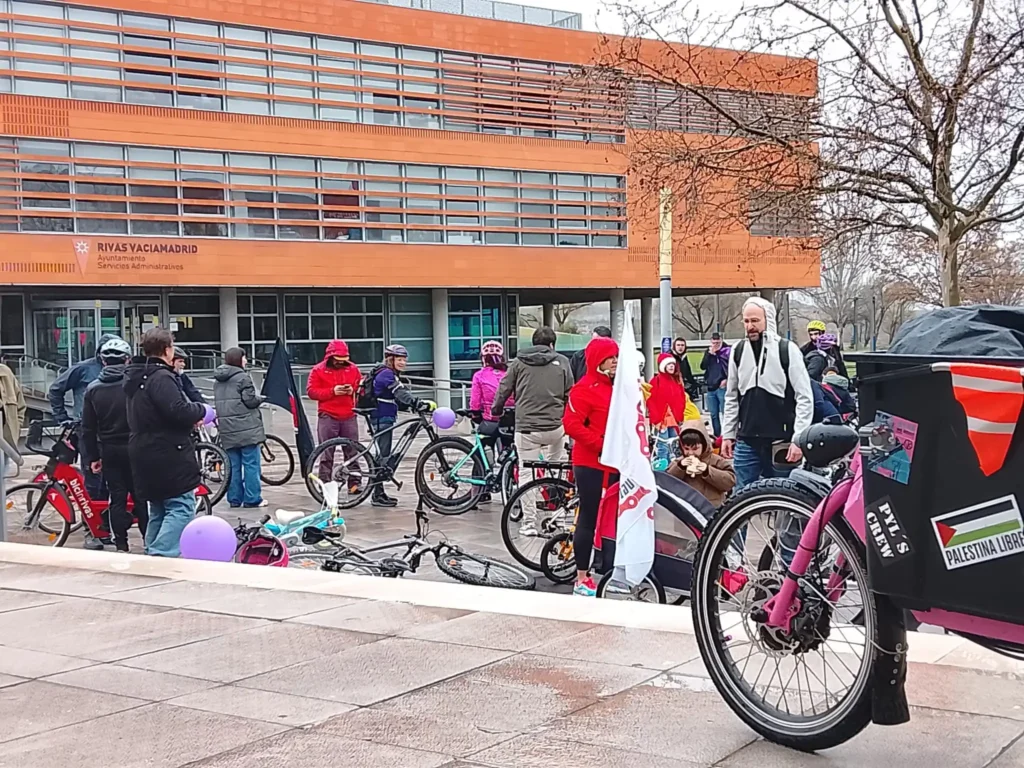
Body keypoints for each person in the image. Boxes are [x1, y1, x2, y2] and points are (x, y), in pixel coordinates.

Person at [124, 327, 206, 557]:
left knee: (159, 508)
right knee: (181, 507)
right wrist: (200, 410)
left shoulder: (135, 375)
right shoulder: (161, 377)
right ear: (167, 349)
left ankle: (152, 550)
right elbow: (177, 410)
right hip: (168, 450)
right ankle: (161, 554)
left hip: (143, 449)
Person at [722, 297, 813, 488]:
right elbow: (731, 396)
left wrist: (799, 439)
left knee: (786, 498)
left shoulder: (787, 349)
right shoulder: (738, 351)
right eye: (746, 321)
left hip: (781, 441)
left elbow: (804, 397)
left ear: (767, 320)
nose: (750, 326)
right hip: (747, 440)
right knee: (742, 498)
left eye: (755, 320)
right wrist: (728, 434)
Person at [48, 331, 121, 549]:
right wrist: (64, 419)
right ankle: (92, 531)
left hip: (115, 433)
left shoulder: (122, 370)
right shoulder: (83, 369)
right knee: (93, 484)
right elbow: (55, 389)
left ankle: (106, 528)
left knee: (114, 484)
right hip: (88, 433)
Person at [563, 336, 619, 597]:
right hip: (590, 463)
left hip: (616, 463)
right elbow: (572, 424)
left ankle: (611, 568)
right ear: (599, 360)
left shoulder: (617, 388)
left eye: (617, 358)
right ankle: (582, 576)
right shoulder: (583, 389)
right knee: (588, 516)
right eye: (611, 358)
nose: (615, 362)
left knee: (613, 518)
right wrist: (601, 444)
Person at [81, 338, 142, 553]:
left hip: (109, 449)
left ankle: (121, 544)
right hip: (136, 446)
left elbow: (88, 428)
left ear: (103, 361)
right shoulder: (134, 385)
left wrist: (92, 457)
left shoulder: (93, 389)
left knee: (116, 497)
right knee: (139, 496)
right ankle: (149, 542)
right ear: (127, 360)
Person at [493, 326, 573, 480]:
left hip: (527, 428)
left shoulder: (518, 363)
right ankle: (552, 492)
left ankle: (528, 503)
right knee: (555, 464)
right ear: (552, 345)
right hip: (555, 427)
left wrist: (496, 410)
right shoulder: (563, 361)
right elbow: (570, 393)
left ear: (533, 343)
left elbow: (504, 388)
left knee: (526, 472)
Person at [370, 344, 434, 507]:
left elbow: (397, 397)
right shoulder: (386, 374)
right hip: (381, 417)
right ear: (390, 359)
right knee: (383, 456)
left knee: (383, 454)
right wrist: (417, 402)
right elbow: (400, 393)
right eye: (399, 359)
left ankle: (379, 492)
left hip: (385, 415)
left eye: (404, 360)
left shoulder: (389, 373)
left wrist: (410, 405)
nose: (403, 363)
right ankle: (377, 495)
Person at [306, 339, 363, 493]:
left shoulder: (353, 369)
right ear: (330, 357)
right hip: (328, 415)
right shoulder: (318, 370)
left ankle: (355, 483)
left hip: (349, 414)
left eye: (344, 360)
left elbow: (362, 389)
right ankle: (324, 483)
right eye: (338, 360)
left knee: (352, 451)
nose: (341, 363)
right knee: (326, 452)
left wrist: (354, 391)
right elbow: (311, 392)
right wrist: (332, 391)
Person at [214, 347, 267, 509]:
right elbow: (250, 401)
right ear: (238, 359)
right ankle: (252, 499)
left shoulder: (218, 380)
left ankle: (234, 499)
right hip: (246, 428)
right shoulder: (243, 377)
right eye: (244, 358)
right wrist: (261, 398)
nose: (246, 361)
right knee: (251, 464)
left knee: (233, 465)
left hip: (227, 429)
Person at [667, 419, 736, 508]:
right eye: (686, 449)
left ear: (704, 445)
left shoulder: (717, 461)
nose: (691, 453)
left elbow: (730, 482)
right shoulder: (679, 462)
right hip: (686, 508)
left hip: (712, 508)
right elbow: (668, 481)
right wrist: (679, 467)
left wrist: (707, 471)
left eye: (695, 448)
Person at [646, 352, 699, 467]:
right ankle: (662, 467)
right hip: (661, 419)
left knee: (674, 443)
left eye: (673, 364)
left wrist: (680, 415)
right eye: (668, 364)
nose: (671, 366)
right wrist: (655, 418)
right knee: (662, 445)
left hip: (674, 419)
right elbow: (650, 400)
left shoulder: (676, 382)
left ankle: (672, 466)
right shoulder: (656, 381)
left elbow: (681, 399)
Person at [470, 340, 513, 453]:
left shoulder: (479, 375)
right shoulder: (509, 374)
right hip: (508, 421)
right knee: (509, 454)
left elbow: (475, 402)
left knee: (481, 454)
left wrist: (475, 415)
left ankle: (482, 468)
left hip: (489, 420)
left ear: (483, 359)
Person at [700, 332, 731, 437]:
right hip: (711, 386)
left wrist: (727, 379)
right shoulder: (708, 352)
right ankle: (717, 435)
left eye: (718, 343)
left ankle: (726, 434)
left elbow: (732, 367)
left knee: (725, 412)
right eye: (714, 343)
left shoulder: (727, 351)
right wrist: (709, 354)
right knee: (713, 414)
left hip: (722, 386)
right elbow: (703, 366)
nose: (716, 345)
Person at [0, 353, 25, 476]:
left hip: (5, 442)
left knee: (2, 482)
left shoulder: (6, 373)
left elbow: (20, 405)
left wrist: (17, 428)